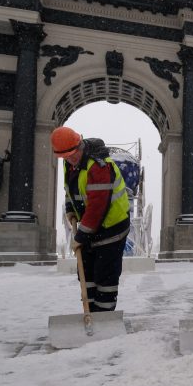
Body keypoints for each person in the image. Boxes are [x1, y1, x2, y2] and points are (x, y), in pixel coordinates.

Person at [51, 126, 130, 312]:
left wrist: (80, 237)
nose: (70, 159)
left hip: (112, 228)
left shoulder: (99, 166)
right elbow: (70, 190)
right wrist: (70, 209)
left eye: (73, 154)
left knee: (105, 275)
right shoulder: (69, 163)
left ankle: (104, 316)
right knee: (86, 273)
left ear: (80, 145)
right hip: (92, 227)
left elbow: (97, 207)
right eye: (65, 157)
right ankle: (90, 311)